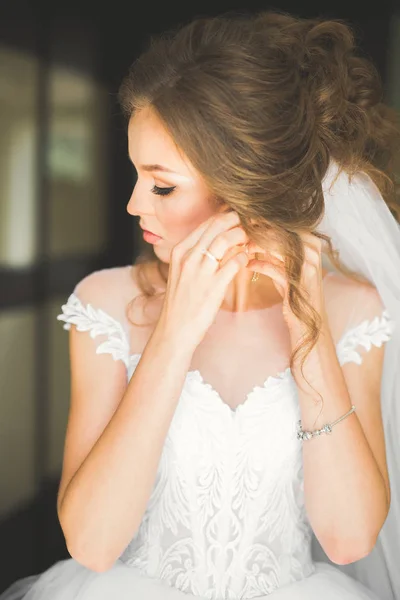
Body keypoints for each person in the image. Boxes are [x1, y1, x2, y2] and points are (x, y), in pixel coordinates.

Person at [1, 9, 400, 600]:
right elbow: (91, 543)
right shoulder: (107, 303)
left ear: (247, 186)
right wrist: (174, 334)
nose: (135, 204)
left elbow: (348, 540)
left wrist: (309, 332)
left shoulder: (353, 312)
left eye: (161, 184)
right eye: (136, 175)